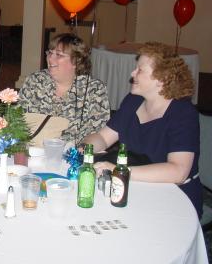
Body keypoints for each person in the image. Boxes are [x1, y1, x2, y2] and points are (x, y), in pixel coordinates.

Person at [84, 42, 202, 217]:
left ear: (162, 79)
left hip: (174, 198)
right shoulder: (133, 101)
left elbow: (178, 171)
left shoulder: (183, 113)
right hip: (134, 186)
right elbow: (103, 138)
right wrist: (85, 146)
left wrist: (119, 170)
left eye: (140, 70)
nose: (132, 73)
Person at [19, 33, 110, 144]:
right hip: (33, 151)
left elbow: (98, 134)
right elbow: (18, 122)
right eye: (50, 53)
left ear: (76, 61)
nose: (50, 58)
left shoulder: (94, 90)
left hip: (73, 156)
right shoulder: (35, 81)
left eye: (59, 55)